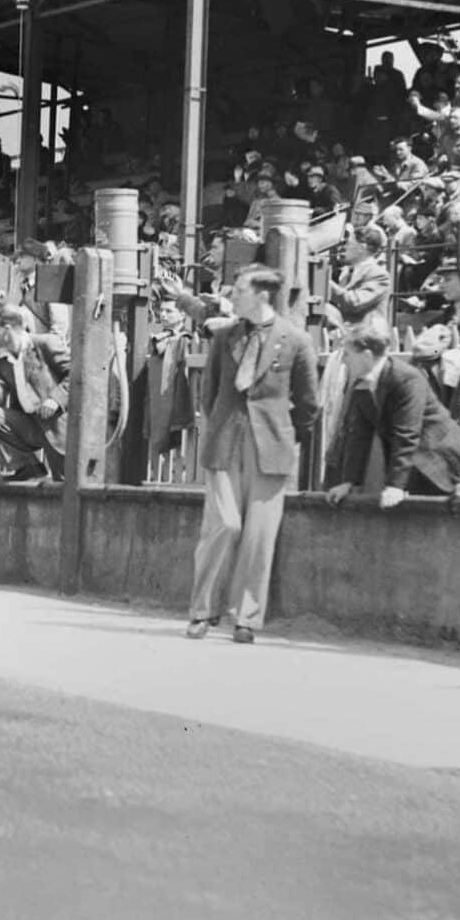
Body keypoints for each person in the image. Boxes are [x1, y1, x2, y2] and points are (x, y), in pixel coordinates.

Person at [169, 267, 320, 643]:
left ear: (262, 295)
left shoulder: (297, 341)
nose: (231, 296)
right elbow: (212, 391)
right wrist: (216, 424)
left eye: (238, 290)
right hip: (226, 439)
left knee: (259, 534)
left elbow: (308, 403)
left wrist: (286, 435)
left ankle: (245, 618)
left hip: (270, 444)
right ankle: (202, 610)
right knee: (224, 524)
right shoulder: (225, 336)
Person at [324, 327, 460, 505]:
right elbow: (359, 435)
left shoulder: (405, 379)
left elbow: (407, 433)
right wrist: (349, 482)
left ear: (366, 356)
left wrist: (395, 486)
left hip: (445, 464)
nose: (343, 361)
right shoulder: (361, 384)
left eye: (348, 354)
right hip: (413, 466)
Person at [0, 305, 68, 480]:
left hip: (57, 427)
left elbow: (77, 374)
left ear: (7, 329)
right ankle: (28, 467)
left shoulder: (45, 343)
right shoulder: (1, 361)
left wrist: (56, 400)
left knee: (64, 485)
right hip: (31, 425)